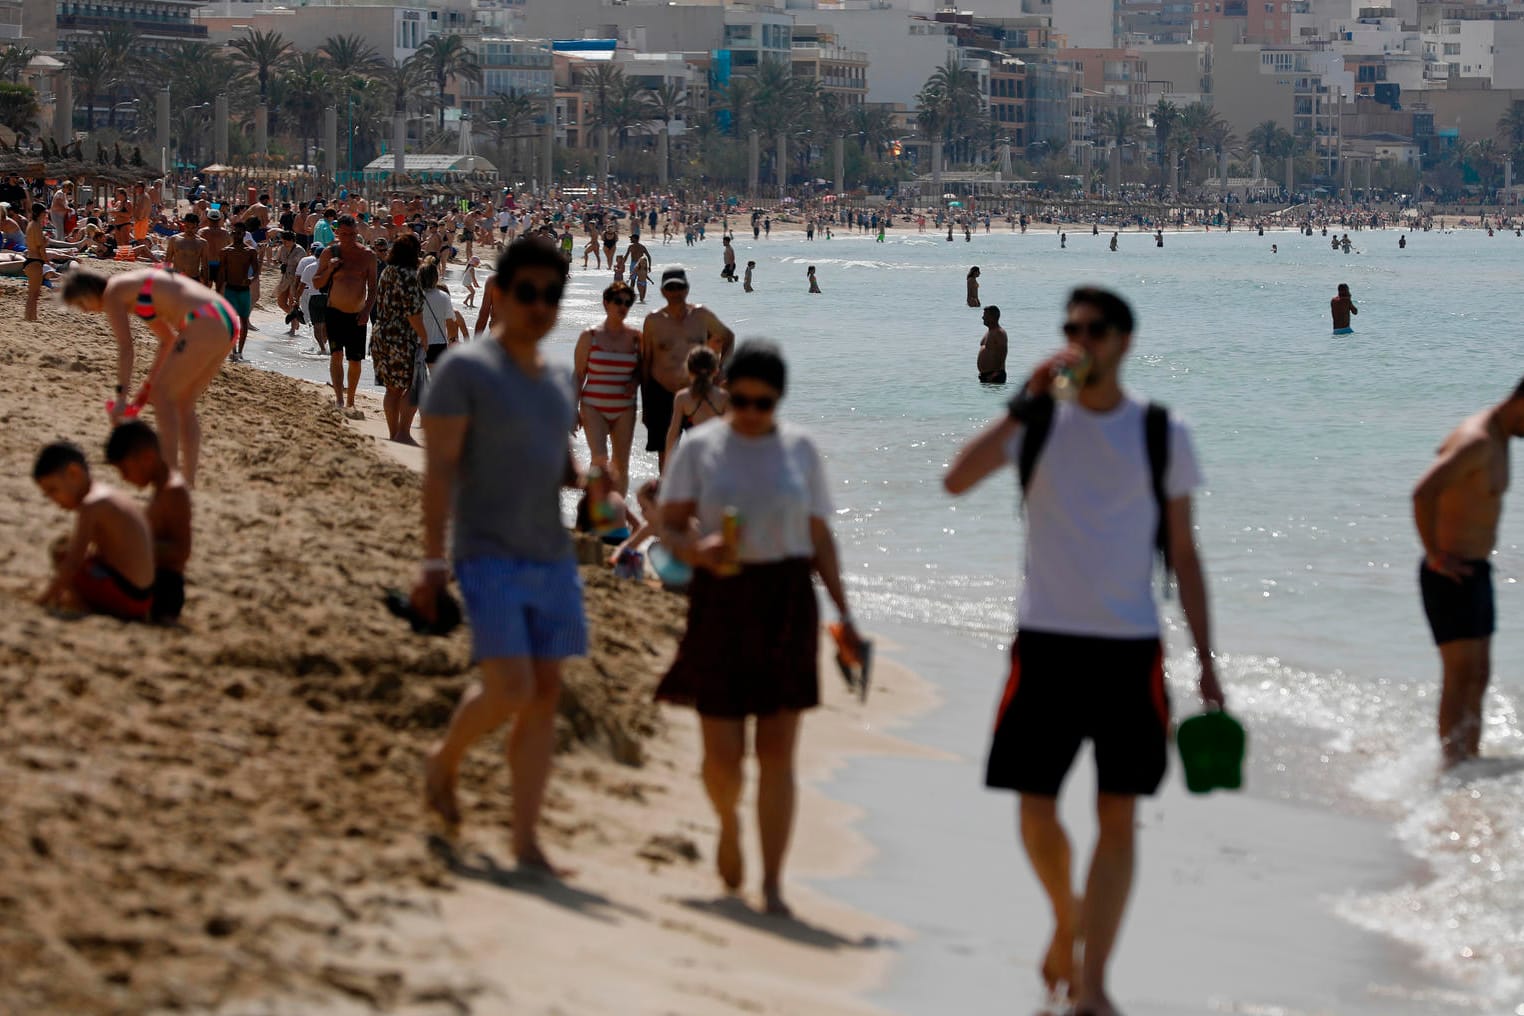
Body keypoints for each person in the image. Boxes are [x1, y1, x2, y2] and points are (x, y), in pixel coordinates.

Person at [942, 287, 1222, 1016]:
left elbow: (1186, 558)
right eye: (1070, 329)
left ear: (1124, 341)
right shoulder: (1038, 427)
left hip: (1131, 648)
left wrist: (1208, 661)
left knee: (1119, 817)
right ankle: (1068, 920)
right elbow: (956, 479)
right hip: (1046, 643)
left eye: (1094, 330)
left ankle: (1094, 984)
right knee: (1035, 809)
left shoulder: (1163, 433)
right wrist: (1025, 402)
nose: (1080, 340)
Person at [657, 341, 862, 916]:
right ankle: (727, 824)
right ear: (727, 387)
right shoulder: (702, 448)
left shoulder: (801, 451)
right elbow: (668, 526)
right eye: (740, 399)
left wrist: (846, 614)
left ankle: (772, 882)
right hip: (720, 596)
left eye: (762, 403)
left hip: (787, 599)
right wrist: (695, 550)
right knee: (722, 757)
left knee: (777, 754)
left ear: (778, 399)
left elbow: (820, 536)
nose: (749, 412)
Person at [416, 237, 587, 874]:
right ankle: (445, 759)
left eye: (551, 294)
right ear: (498, 293)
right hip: (486, 552)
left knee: (544, 695)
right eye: (527, 292)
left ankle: (525, 841)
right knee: (511, 686)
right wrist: (432, 564)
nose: (539, 306)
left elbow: (559, 465)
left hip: (552, 555)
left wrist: (587, 484)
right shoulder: (465, 370)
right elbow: (438, 474)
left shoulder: (558, 379)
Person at [1411, 379, 1524, 767]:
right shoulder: (1476, 440)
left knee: (1479, 673)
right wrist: (1436, 556)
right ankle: (1451, 766)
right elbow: (1423, 492)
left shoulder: (1500, 437)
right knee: (1459, 676)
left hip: (1476, 570)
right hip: (1448, 573)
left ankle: (1469, 760)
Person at [62, 267, 236, 487]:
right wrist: (146, 390)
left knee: (165, 398)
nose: (85, 311)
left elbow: (126, 347)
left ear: (85, 292)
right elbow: (167, 341)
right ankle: (187, 481)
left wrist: (122, 399)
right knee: (183, 404)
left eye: (80, 305)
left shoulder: (113, 292)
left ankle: (170, 479)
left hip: (203, 321)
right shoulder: (136, 293)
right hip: (226, 320)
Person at [33, 441, 156, 622]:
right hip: (145, 596)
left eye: (53, 490)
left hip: (129, 599)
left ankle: (78, 604)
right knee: (69, 547)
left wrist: (43, 599)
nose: (53, 499)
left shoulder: (91, 504)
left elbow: (73, 561)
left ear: (74, 473)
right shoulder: (106, 494)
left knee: (62, 553)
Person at [641, 268, 735, 470]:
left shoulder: (701, 315)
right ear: (663, 291)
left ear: (687, 289)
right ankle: (667, 496)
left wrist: (720, 369)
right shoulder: (653, 321)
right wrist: (646, 406)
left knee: (704, 451)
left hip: (697, 392)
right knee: (666, 455)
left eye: (679, 287)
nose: (675, 292)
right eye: (670, 287)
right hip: (662, 393)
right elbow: (646, 363)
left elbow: (728, 337)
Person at [105, 421, 190, 624]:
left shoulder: (174, 491)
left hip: (163, 588)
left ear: (148, 458)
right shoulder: (162, 489)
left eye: (125, 469)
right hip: (148, 578)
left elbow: (181, 551)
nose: (124, 478)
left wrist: (132, 546)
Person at [573, 282, 641, 496]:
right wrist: (573, 409)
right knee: (600, 462)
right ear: (606, 303)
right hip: (593, 406)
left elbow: (644, 369)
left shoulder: (636, 338)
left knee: (621, 464)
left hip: (625, 408)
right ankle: (594, 516)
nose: (623, 306)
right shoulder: (590, 336)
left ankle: (617, 521)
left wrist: (635, 381)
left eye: (628, 302)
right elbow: (578, 375)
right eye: (618, 301)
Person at [313, 215, 378, 415]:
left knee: (355, 360)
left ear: (357, 233)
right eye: (344, 234)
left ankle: (351, 399)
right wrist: (330, 268)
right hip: (334, 311)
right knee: (336, 355)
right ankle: (340, 398)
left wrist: (367, 311)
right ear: (337, 233)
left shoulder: (367, 256)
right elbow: (317, 283)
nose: (348, 238)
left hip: (357, 314)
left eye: (352, 234)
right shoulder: (329, 253)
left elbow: (373, 287)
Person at [372, 232, 429, 445]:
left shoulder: (387, 271)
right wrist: (424, 337)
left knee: (392, 389)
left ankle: (393, 432)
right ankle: (404, 433)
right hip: (402, 338)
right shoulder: (410, 275)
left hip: (381, 333)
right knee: (414, 387)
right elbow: (413, 313)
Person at [663, 345, 729, 464]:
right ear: (715, 370)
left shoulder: (683, 398)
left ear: (688, 370)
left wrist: (668, 466)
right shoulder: (723, 397)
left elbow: (673, 434)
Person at [218, 221, 259, 361]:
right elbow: (221, 273)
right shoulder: (225, 251)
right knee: (231, 322)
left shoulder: (251, 251)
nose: (237, 235)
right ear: (232, 233)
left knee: (243, 321)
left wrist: (251, 279)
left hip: (244, 290)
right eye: (235, 232)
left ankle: (240, 351)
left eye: (240, 232)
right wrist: (219, 291)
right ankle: (233, 350)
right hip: (230, 289)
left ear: (244, 233)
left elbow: (256, 271)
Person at [419, 255, 460, 374]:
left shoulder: (414, 296)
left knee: (414, 382)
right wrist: (453, 340)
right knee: (435, 381)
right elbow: (450, 323)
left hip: (417, 343)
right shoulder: (444, 297)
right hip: (438, 344)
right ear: (436, 278)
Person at [23, 202, 47, 322]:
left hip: (30, 260)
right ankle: (30, 318)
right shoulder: (36, 225)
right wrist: (47, 260)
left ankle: (31, 317)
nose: (45, 215)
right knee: (34, 294)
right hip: (35, 261)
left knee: (33, 294)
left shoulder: (31, 224)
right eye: (44, 213)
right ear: (41, 213)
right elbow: (40, 247)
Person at [977, 305, 1008, 384]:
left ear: (992, 317)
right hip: (986, 375)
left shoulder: (999, 332)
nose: (983, 317)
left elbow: (1003, 353)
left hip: (994, 375)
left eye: (985, 315)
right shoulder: (989, 332)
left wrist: (996, 373)